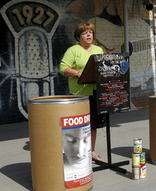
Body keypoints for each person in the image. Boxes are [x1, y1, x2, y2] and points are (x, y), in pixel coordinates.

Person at [59, 22, 105, 162]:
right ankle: (77, 154)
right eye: (85, 33)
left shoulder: (99, 50)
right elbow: (63, 68)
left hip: (96, 92)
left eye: (90, 32)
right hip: (79, 93)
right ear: (79, 36)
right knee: (79, 125)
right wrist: (78, 73)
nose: (89, 35)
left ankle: (92, 152)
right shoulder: (73, 50)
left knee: (94, 124)